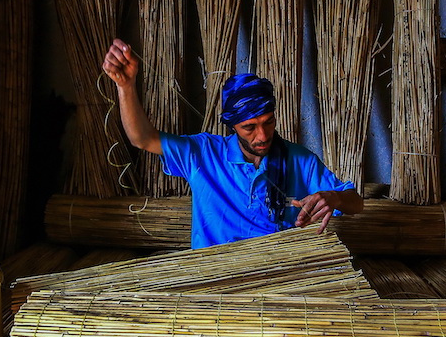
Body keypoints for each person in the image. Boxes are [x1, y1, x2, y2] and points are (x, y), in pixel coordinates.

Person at [102, 38, 364, 249]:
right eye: (249, 127)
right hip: (216, 278)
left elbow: (356, 203)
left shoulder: (299, 159)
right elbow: (142, 139)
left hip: (276, 277)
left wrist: (334, 197)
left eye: (268, 122)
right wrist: (125, 86)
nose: (262, 135)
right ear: (232, 126)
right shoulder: (203, 154)